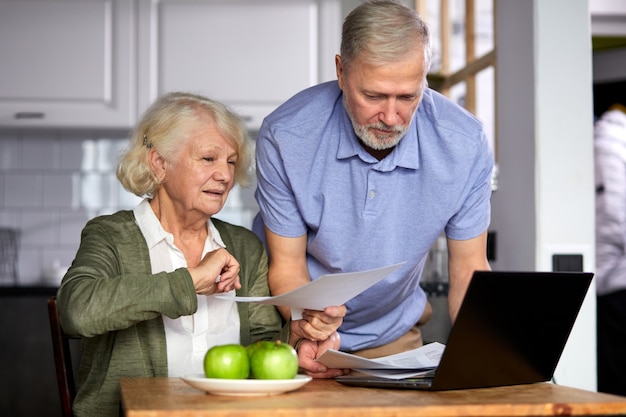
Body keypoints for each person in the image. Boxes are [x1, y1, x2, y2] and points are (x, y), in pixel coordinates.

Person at [56, 92, 339, 417]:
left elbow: (263, 341)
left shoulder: (244, 247)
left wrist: (297, 342)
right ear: (160, 163)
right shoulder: (111, 235)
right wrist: (189, 282)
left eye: (231, 162)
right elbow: (75, 311)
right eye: (208, 159)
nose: (225, 175)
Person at [254, 0, 493, 370]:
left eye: (408, 97)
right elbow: (286, 267)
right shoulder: (286, 135)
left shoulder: (465, 143)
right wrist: (310, 331)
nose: (391, 116)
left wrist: (491, 361)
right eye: (374, 96)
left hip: (393, 337)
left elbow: (469, 270)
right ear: (341, 71)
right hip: (299, 332)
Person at [594, 102, 626, 396]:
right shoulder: (612, 143)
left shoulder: (610, 142)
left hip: (615, 280)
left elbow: (613, 217)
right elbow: (614, 215)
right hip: (615, 280)